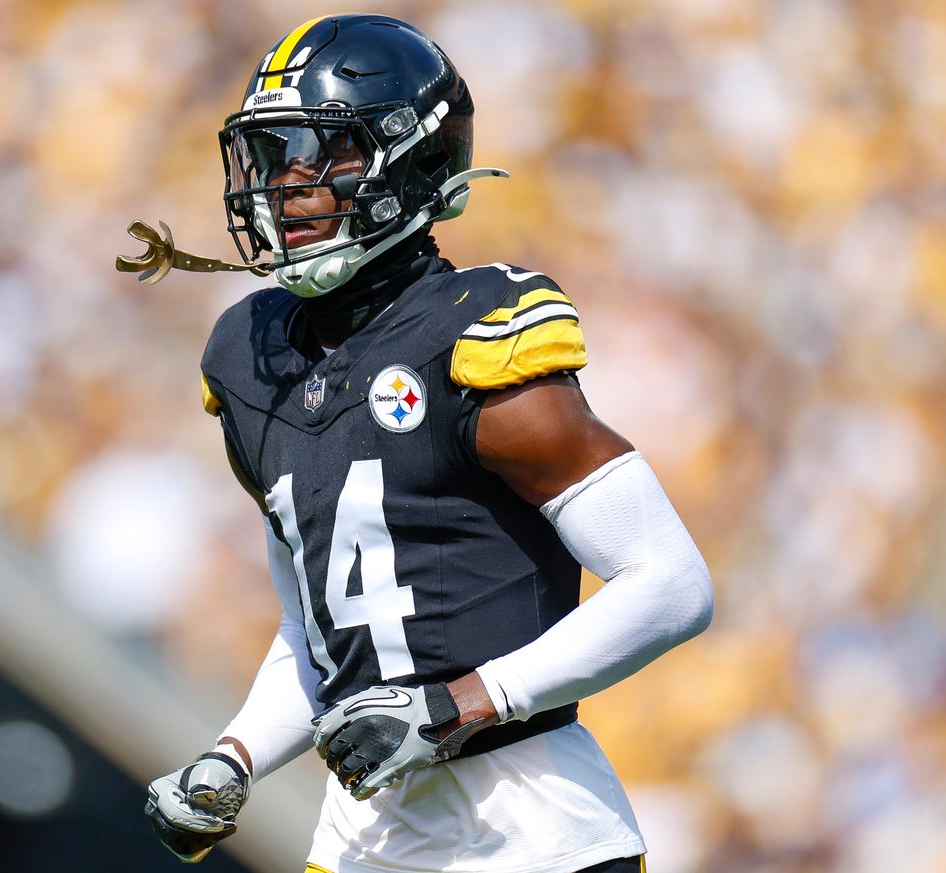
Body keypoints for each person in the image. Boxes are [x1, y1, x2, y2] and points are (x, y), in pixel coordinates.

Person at [143, 14, 713, 873]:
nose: (285, 185)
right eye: (273, 156)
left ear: (407, 162)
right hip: (367, 832)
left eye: (320, 154)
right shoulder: (250, 360)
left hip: (528, 825)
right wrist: (236, 757)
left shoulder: (474, 334)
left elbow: (671, 584)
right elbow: (321, 627)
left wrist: (467, 702)